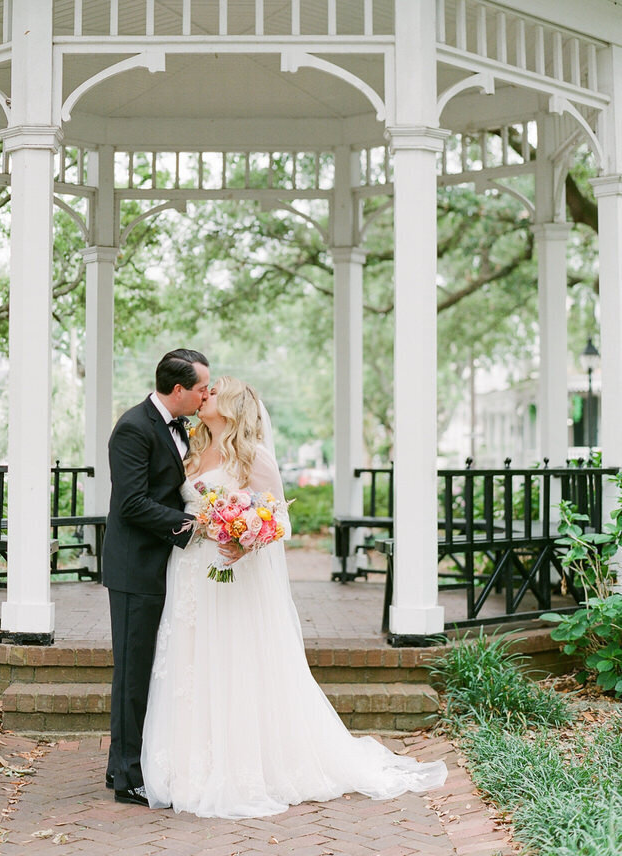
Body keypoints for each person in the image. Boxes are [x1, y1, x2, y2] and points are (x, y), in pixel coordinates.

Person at [141, 375, 447, 819]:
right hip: (189, 572)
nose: (204, 395)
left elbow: (280, 520)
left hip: (231, 571)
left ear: (231, 406)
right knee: (189, 662)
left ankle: (242, 766)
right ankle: (188, 767)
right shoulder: (190, 447)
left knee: (232, 660)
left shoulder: (253, 457)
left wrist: (246, 540)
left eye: (212, 392)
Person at [102, 348, 210, 806]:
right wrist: (193, 527)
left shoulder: (182, 426)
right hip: (135, 568)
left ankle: (120, 766)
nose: (208, 393)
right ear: (179, 389)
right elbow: (131, 503)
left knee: (148, 670)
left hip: (164, 567)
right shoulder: (132, 427)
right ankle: (128, 778)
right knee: (132, 673)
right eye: (202, 387)